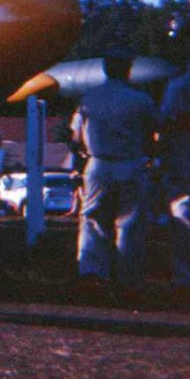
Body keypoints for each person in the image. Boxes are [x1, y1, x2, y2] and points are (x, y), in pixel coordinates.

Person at [70, 48, 157, 293]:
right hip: (131, 161)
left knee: (93, 218)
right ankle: (128, 277)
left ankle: (92, 271)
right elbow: (152, 132)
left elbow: (76, 136)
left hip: (98, 162)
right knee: (130, 222)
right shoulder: (141, 100)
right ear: (128, 69)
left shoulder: (89, 98)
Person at [158, 43, 190, 292]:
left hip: (185, 149)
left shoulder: (182, 82)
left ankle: (188, 275)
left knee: (184, 211)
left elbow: (169, 119)